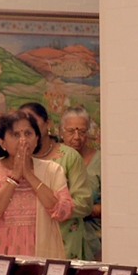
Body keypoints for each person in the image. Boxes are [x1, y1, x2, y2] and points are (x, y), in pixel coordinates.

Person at [0, 110, 72, 257]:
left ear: (37, 139)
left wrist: (29, 175)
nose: (23, 140)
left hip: (40, 251)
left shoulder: (52, 170)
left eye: (28, 133)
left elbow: (63, 211)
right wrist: (14, 177)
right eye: (15, 135)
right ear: (2, 142)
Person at [22, 101, 96, 257]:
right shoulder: (17, 160)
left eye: (33, 123)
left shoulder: (69, 156)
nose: (28, 131)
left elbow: (84, 204)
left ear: (48, 123)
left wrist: (54, 206)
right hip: (25, 240)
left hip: (63, 239)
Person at [58, 106, 102, 261]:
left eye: (82, 131)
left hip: (94, 238)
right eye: (71, 131)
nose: (77, 137)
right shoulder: (55, 158)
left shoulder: (101, 161)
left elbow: (113, 206)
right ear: (61, 132)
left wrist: (85, 208)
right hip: (61, 237)